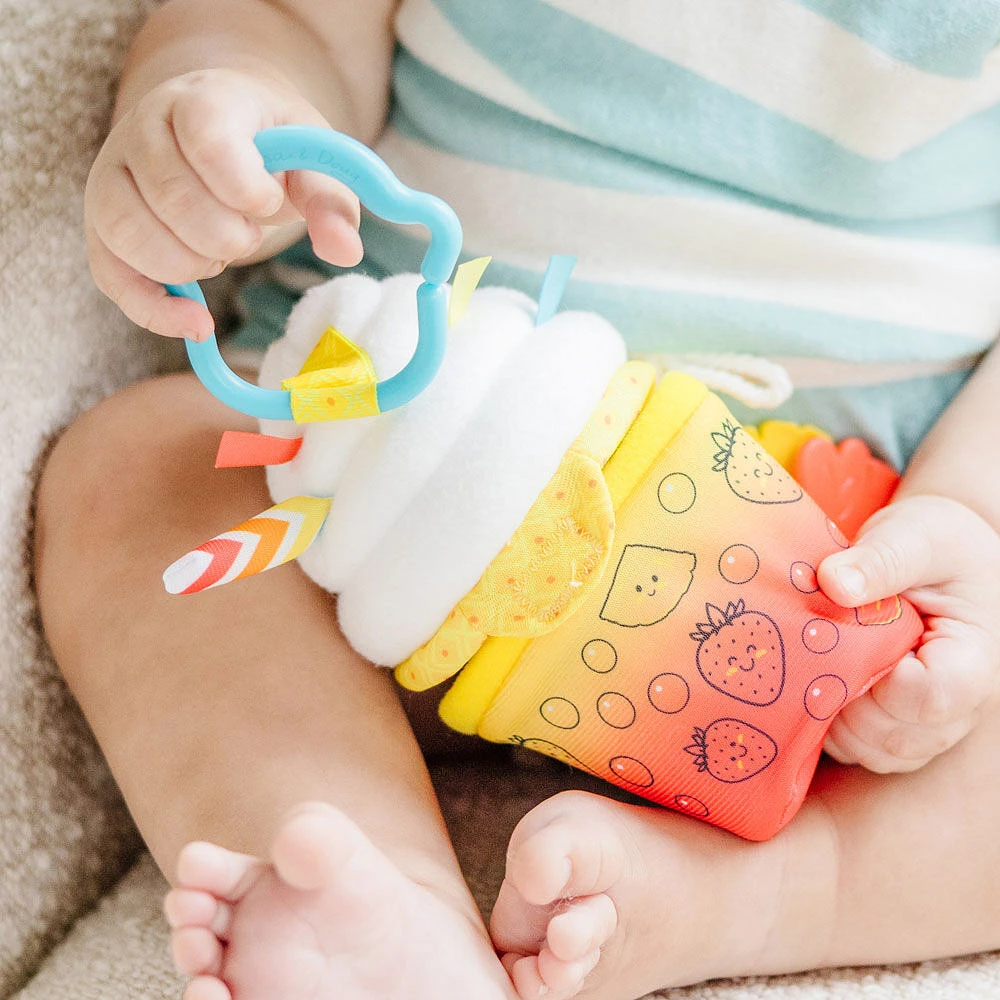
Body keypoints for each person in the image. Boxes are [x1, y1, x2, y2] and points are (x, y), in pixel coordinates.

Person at [32, 2, 1000, 999]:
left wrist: (969, 516)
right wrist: (229, 116)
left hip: (844, 609)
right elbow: (290, 21)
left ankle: (748, 897)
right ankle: (376, 904)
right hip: (356, 487)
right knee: (136, 477)